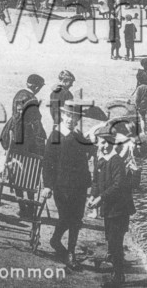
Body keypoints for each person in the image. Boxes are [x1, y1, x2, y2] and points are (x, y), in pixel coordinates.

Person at [43, 101, 95, 270]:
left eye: (75, 117)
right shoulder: (55, 136)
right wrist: (47, 186)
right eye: (68, 116)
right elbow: (47, 163)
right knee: (66, 217)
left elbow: (90, 150)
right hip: (61, 185)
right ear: (62, 115)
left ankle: (71, 252)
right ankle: (56, 240)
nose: (71, 120)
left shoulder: (78, 135)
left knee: (76, 219)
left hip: (79, 185)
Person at [87, 125, 136, 287]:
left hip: (119, 209)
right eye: (100, 143)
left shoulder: (116, 161)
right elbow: (95, 181)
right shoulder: (100, 159)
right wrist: (93, 195)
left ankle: (119, 275)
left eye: (106, 143)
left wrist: (100, 198)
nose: (102, 146)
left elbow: (118, 185)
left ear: (113, 142)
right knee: (111, 238)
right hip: (109, 208)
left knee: (115, 241)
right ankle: (116, 266)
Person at [8, 86, 47, 217]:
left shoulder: (15, 122)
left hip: (17, 155)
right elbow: (41, 142)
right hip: (32, 157)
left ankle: (22, 208)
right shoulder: (36, 125)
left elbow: (8, 140)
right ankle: (31, 209)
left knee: (18, 178)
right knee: (30, 179)